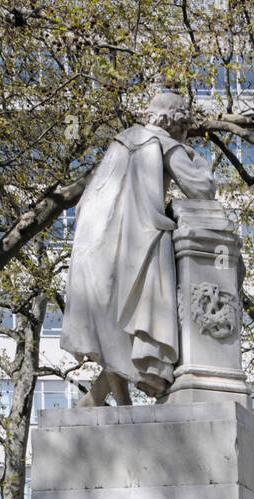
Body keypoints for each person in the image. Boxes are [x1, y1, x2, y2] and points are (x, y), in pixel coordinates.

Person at [61, 90, 217, 406]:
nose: (185, 131)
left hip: (95, 245)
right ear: (175, 122)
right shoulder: (163, 142)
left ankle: (101, 401)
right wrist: (196, 158)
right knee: (136, 326)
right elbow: (202, 190)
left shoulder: (121, 142)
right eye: (185, 125)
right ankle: (112, 401)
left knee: (115, 326)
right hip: (138, 243)